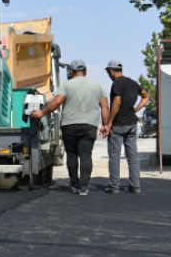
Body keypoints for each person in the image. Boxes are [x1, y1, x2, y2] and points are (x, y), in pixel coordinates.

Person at [30, 59, 108, 197]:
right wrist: (106, 124)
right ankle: (84, 187)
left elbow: (56, 102)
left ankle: (74, 184)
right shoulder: (98, 86)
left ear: (71, 72)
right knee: (85, 155)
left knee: (72, 155)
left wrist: (42, 113)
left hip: (69, 125)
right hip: (89, 125)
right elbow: (104, 106)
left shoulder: (66, 85)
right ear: (85, 71)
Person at [101, 60, 150, 194]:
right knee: (133, 156)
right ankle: (135, 186)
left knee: (115, 156)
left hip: (118, 124)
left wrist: (109, 122)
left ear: (111, 71)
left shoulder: (117, 83)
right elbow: (146, 96)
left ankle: (114, 186)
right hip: (132, 124)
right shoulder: (133, 83)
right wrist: (135, 109)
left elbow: (116, 102)